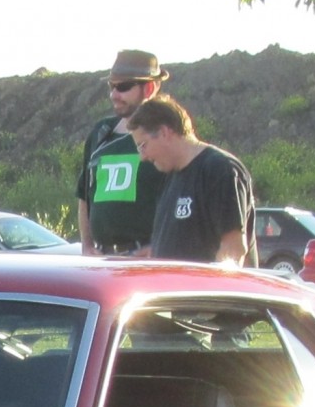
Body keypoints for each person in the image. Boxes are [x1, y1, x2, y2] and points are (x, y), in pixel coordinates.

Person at [127, 97, 257, 266]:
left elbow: (233, 249)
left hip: (206, 291)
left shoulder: (219, 169)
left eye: (143, 145)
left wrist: (211, 290)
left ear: (165, 132)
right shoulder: (170, 176)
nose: (142, 157)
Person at [77, 50, 169, 257]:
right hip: (103, 260)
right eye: (111, 86)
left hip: (147, 259)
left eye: (123, 87)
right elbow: (84, 196)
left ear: (149, 88)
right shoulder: (100, 134)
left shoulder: (167, 136)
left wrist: (160, 249)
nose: (114, 95)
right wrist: (87, 246)